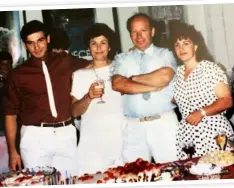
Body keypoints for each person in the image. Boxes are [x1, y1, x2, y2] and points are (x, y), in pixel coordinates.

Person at [4, 20, 90, 176]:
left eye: (40, 40)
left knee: (70, 182)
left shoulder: (64, 60)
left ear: (48, 39)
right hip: (35, 136)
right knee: (38, 184)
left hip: (66, 134)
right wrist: (13, 151)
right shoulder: (18, 74)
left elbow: (95, 65)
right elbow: (10, 114)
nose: (36, 47)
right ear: (25, 45)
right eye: (31, 43)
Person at [112, 13, 178, 164]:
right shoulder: (123, 58)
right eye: (134, 32)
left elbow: (164, 77)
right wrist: (153, 87)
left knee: (173, 169)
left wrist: (132, 79)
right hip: (133, 126)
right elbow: (117, 84)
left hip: (164, 123)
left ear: (152, 32)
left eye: (143, 30)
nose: (139, 36)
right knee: (135, 174)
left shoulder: (166, 54)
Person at [170, 22, 234, 159]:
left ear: (196, 46)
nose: (181, 48)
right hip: (187, 136)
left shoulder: (210, 69)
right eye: (177, 44)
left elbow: (227, 101)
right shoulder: (178, 74)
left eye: (186, 43)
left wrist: (202, 112)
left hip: (213, 132)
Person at [71, 23, 125, 174]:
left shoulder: (121, 69)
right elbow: (74, 112)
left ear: (109, 46)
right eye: (93, 43)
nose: (98, 47)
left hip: (119, 139)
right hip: (92, 143)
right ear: (88, 47)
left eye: (103, 43)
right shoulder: (80, 74)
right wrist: (88, 97)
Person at [0, 51, 13, 173]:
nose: (5, 68)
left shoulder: (14, 80)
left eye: (8, 64)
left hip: (12, 131)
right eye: (3, 64)